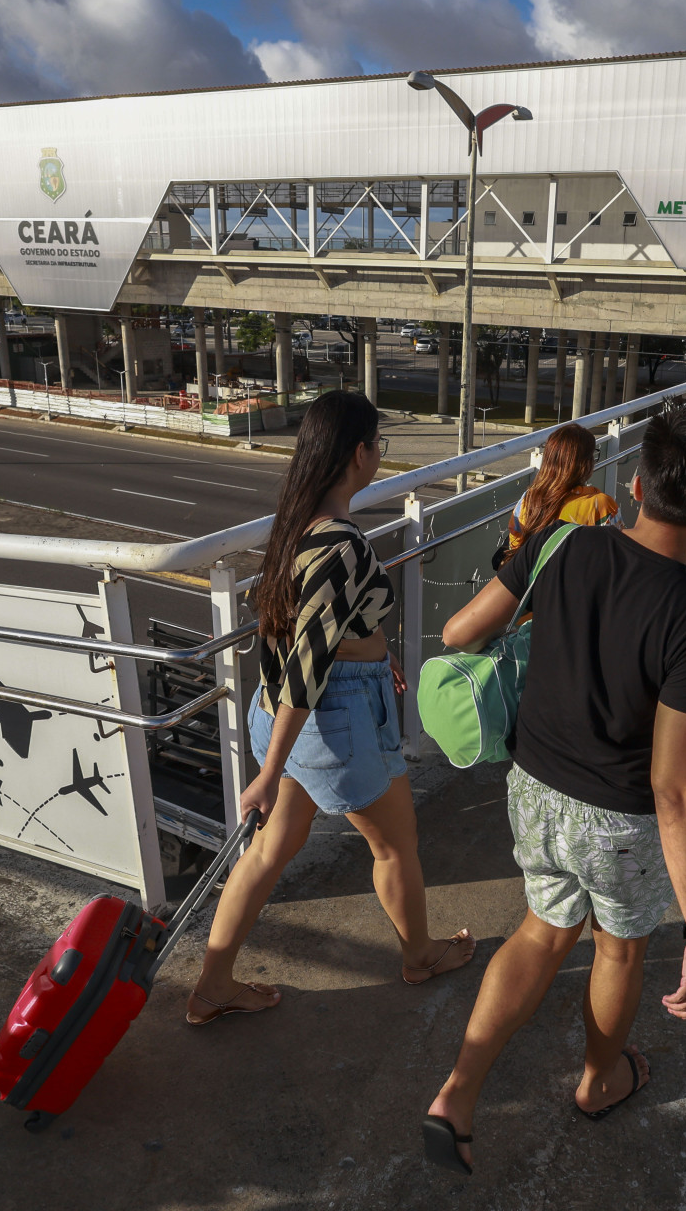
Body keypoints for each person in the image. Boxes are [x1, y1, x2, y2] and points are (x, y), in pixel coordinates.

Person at [421, 407, 686, 1174]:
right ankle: (600, 1080)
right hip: (617, 823)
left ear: (632, 486)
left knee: (539, 932)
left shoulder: (564, 543)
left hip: (533, 788)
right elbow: (675, 791)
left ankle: (458, 1094)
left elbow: (460, 633)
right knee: (618, 954)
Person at [186, 391, 474, 1025]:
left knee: (268, 852)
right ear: (359, 454)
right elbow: (308, 664)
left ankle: (211, 986)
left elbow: (299, 632)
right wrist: (268, 772)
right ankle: (420, 954)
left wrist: (375, 656)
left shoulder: (296, 524)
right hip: (330, 719)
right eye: (380, 446)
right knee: (396, 848)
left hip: (297, 714)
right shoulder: (340, 544)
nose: (379, 458)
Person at [498, 422, 618, 568]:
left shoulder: (528, 499)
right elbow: (618, 561)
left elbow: (514, 547)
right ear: (585, 464)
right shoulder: (601, 506)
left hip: (532, 587)